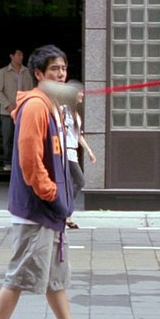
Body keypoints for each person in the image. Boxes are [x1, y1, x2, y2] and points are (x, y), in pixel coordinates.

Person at [0, 44, 109, 319]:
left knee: (54, 278)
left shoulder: (52, 105)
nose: (61, 74)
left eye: (63, 69)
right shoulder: (36, 106)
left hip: (50, 209)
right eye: (54, 69)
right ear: (38, 74)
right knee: (19, 276)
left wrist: (61, 205)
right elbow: (30, 160)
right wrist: (52, 195)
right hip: (36, 209)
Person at [61, 81, 96, 229]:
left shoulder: (75, 112)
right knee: (80, 181)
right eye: (80, 92)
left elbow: (78, 136)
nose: (82, 94)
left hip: (72, 151)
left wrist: (89, 151)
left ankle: (67, 216)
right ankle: (65, 212)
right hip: (65, 152)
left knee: (69, 184)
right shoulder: (63, 110)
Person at [0, 48, 34, 171]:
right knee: (8, 137)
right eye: (18, 54)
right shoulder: (3, 72)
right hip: (7, 112)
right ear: (11, 56)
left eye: (22, 54)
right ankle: (8, 161)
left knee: (23, 137)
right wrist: (7, 105)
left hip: (23, 110)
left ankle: (21, 162)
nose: (21, 57)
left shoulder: (27, 72)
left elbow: (31, 89)